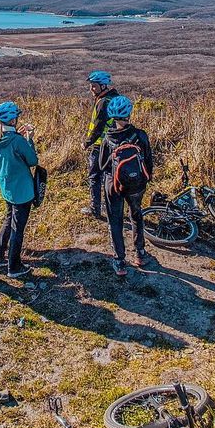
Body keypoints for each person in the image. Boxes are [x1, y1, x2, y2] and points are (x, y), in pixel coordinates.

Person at [97, 95, 154, 275]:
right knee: (136, 215)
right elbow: (149, 161)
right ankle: (140, 253)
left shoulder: (108, 138)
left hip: (113, 185)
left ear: (112, 116)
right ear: (129, 114)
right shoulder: (140, 135)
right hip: (137, 184)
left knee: (115, 220)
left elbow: (101, 165)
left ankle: (120, 261)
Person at [0, 101, 38, 279]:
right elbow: (32, 160)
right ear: (12, 120)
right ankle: (14, 266)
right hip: (22, 190)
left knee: (9, 220)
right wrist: (29, 139)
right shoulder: (17, 140)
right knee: (18, 228)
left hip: (6, 186)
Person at [82, 70, 120, 218]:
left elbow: (98, 127)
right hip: (114, 144)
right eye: (91, 85)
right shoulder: (115, 98)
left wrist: (86, 143)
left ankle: (95, 209)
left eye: (94, 86)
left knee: (94, 177)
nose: (91, 89)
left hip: (101, 146)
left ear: (103, 86)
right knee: (109, 176)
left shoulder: (103, 102)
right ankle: (111, 206)